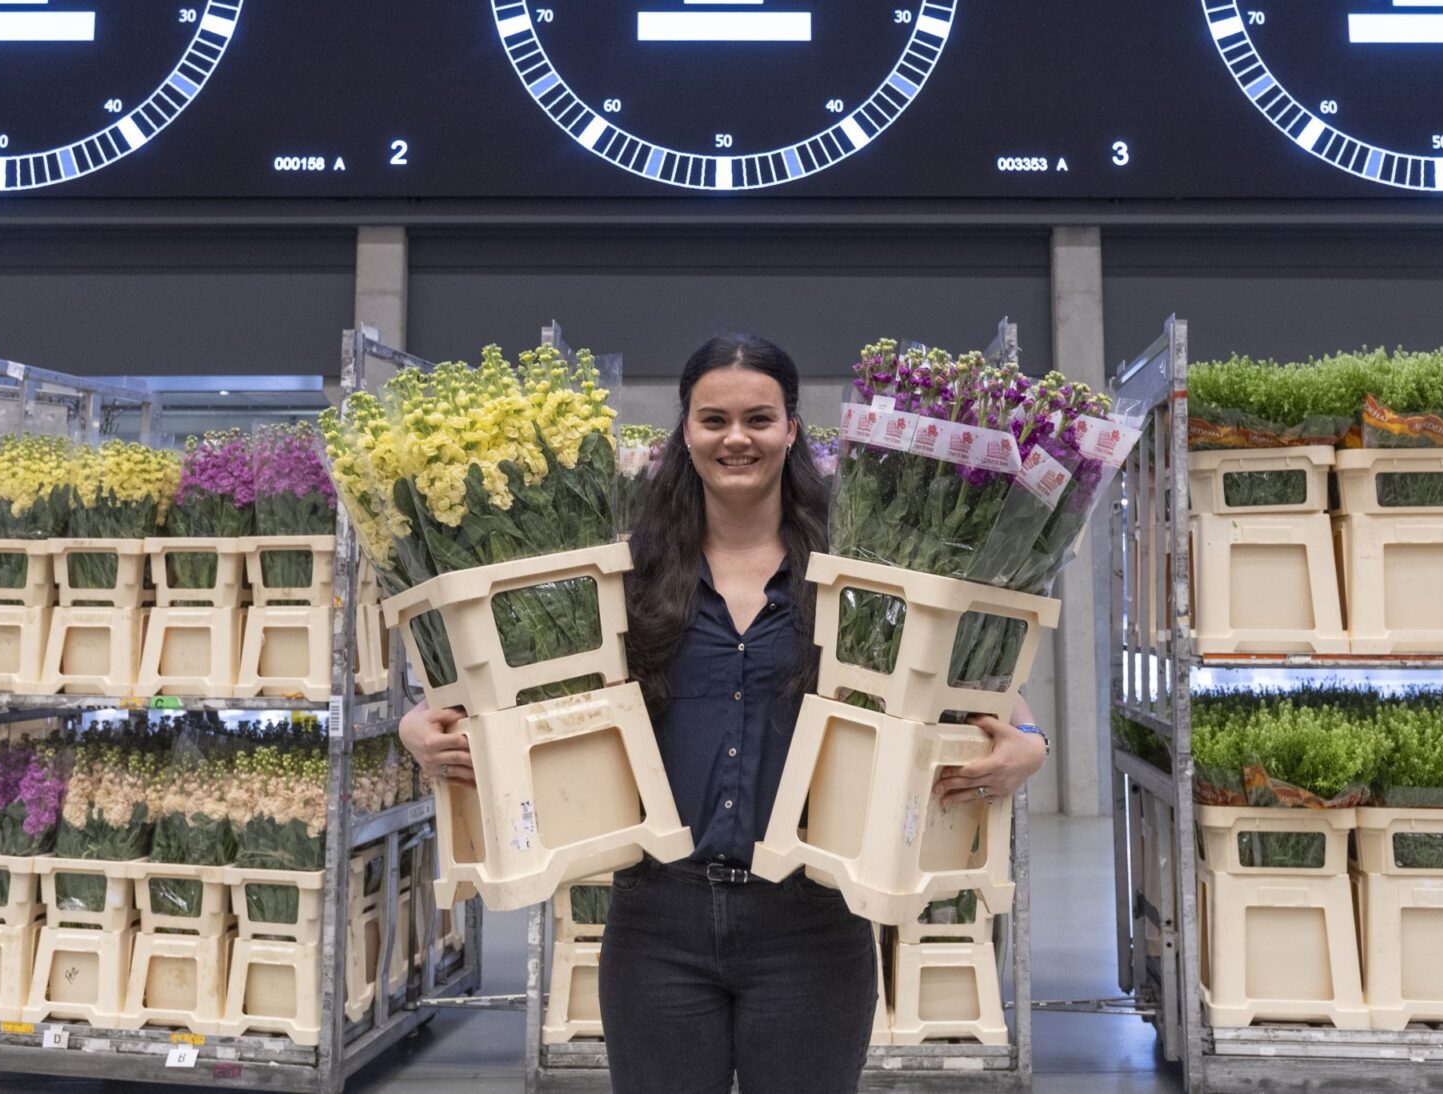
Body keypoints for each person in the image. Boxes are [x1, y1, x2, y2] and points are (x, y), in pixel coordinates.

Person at [399, 334, 1050, 1093]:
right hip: (656, 921)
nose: (736, 438)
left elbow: (976, 692)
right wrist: (421, 724)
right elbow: (498, 685)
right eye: (713, 420)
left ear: (791, 430)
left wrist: (1028, 743)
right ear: (685, 431)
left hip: (812, 922)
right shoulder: (624, 569)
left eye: (758, 419)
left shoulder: (856, 568)